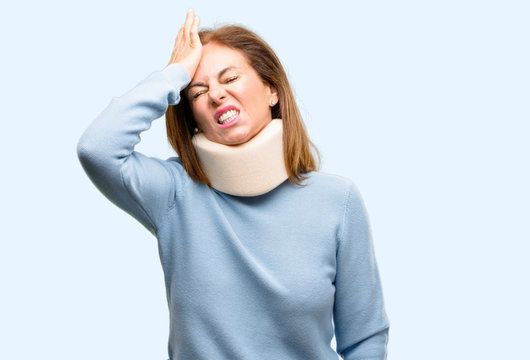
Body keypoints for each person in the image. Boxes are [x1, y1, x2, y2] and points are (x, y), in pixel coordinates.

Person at [77, 10, 389, 360]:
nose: (216, 95)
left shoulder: (337, 201)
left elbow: (365, 340)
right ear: (192, 116)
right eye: (197, 92)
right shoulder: (175, 193)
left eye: (230, 78)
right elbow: (97, 148)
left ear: (272, 90)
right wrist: (174, 73)